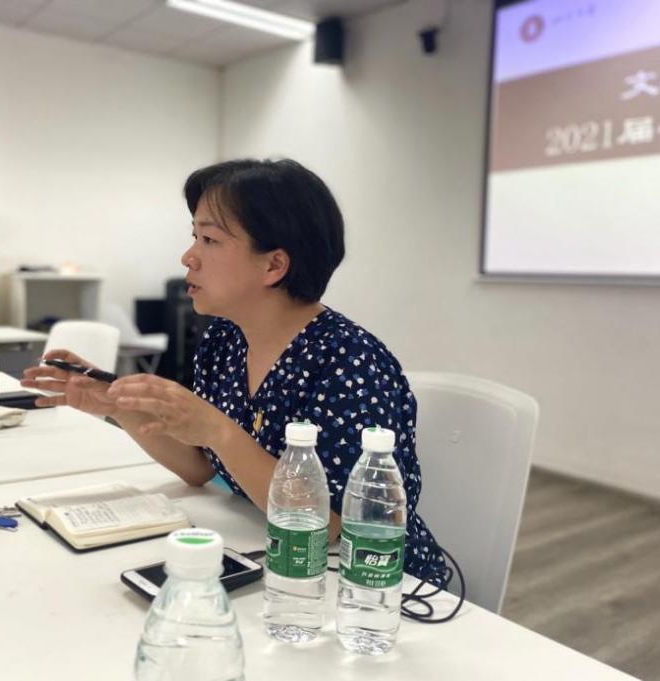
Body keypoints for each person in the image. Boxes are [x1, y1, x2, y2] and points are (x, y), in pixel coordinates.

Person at [22, 159, 448, 584]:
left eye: (209, 239)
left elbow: (332, 525)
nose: (188, 256)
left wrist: (218, 429)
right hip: (277, 556)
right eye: (194, 236)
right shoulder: (225, 339)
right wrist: (119, 407)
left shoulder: (349, 362)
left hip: (377, 584)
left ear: (274, 266)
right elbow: (199, 468)